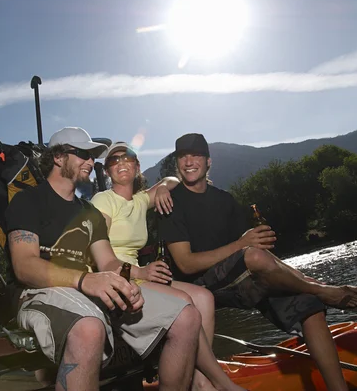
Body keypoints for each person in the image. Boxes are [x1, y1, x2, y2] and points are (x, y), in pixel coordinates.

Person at [1, 127, 221, 391]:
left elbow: (108, 264)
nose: (91, 162)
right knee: (89, 328)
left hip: (90, 289)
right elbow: (25, 266)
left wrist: (130, 279)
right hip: (42, 291)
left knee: (186, 316)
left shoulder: (89, 212)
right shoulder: (29, 201)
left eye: (93, 156)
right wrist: (86, 280)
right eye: (83, 154)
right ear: (58, 158)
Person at [159, 132, 357, 391]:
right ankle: (323, 288)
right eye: (183, 156)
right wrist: (244, 245)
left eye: (196, 155)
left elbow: (248, 248)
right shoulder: (172, 202)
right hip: (199, 285)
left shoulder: (224, 200)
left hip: (238, 278)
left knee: (309, 305)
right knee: (254, 255)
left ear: (208, 161)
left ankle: (338, 385)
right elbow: (186, 264)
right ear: (177, 163)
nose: (189, 161)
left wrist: (256, 244)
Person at [91, 142, 243, 391]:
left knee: (204, 297)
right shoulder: (103, 200)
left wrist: (161, 186)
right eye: (113, 160)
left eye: (126, 157)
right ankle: (219, 382)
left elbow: (174, 179)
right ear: (107, 171)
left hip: (139, 274)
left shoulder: (140, 200)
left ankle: (198, 376)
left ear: (137, 165)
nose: (120, 162)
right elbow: (100, 257)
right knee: (185, 303)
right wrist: (140, 271)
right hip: (117, 276)